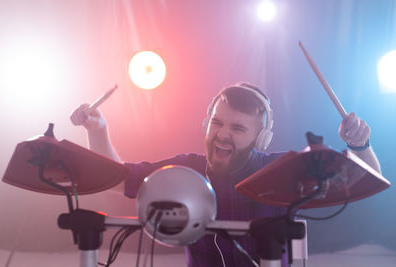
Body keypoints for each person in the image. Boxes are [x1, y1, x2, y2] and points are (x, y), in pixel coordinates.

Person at [70, 82, 381, 267]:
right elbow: (116, 178)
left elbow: (367, 182)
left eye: (238, 128)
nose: (222, 135)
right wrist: (98, 130)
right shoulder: (185, 169)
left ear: (261, 139)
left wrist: (360, 145)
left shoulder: (282, 172)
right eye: (217, 123)